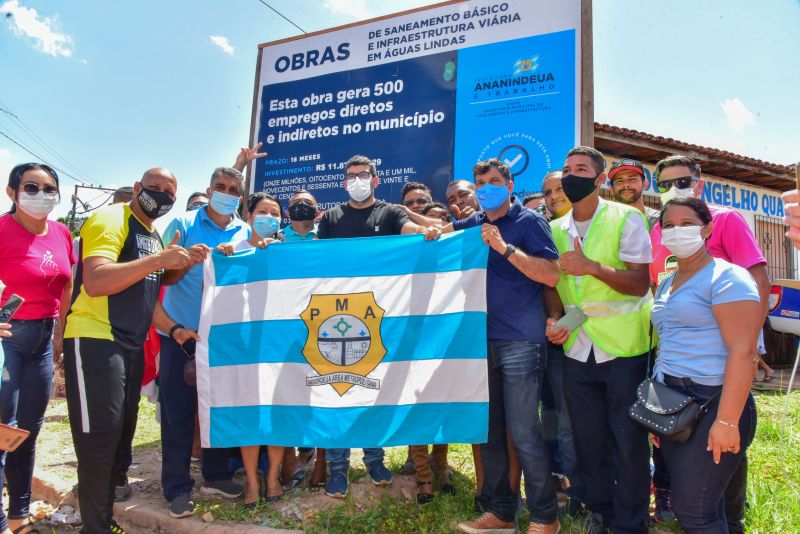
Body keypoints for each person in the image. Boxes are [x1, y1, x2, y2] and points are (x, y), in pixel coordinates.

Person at [63, 168, 193, 534]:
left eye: (170, 191)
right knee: (98, 442)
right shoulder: (110, 218)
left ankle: (103, 519)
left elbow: (145, 291)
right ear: (137, 189)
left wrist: (174, 328)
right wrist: (158, 261)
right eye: (155, 188)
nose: (163, 196)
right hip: (95, 339)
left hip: (130, 344)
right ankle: (95, 526)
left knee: (118, 437)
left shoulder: (150, 233)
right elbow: (98, 280)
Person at [649, 155, 769, 533]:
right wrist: (657, 410)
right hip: (676, 402)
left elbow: (743, 351)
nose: (676, 231)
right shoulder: (668, 282)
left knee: (695, 510)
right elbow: (666, 345)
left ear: (706, 230)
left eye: (687, 224)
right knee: (698, 505)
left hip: (716, 399)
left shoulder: (728, 277)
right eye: (669, 225)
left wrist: (728, 421)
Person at [446, 158, 561, 534]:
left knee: (525, 432)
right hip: (481, 343)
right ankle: (502, 513)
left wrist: (505, 249)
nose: (486, 188)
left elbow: (550, 273)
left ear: (510, 185)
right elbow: (444, 231)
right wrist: (432, 233)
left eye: (494, 181)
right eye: (480, 183)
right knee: (491, 431)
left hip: (521, 342)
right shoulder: (474, 223)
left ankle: (546, 517)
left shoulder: (529, 222)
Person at [316, 155, 440, 499]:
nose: (357, 179)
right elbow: (311, 260)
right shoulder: (330, 218)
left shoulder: (389, 212)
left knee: (373, 387)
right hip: (335, 314)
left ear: (375, 179)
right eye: (351, 175)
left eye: (363, 174)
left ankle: (374, 459)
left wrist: (426, 231)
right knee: (339, 391)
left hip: (379, 316)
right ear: (344, 182)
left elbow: (411, 230)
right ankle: (338, 467)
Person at [545, 146, 653, 534]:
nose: (570, 175)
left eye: (580, 169)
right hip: (576, 348)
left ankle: (631, 522)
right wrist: (555, 318)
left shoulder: (627, 219)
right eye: (566, 168)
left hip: (624, 349)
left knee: (627, 442)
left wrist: (592, 267)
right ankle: (601, 512)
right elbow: (555, 287)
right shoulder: (556, 229)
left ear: (599, 178)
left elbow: (640, 283)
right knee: (588, 441)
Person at [158, 167, 250, 519]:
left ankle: (216, 475)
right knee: (178, 414)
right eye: (220, 187)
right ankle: (177, 487)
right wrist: (185, 262)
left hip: (225, 339)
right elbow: (160, 275)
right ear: (209, 190)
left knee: (219, 409)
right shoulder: (183, 223)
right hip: (180, 335)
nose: (225, 193)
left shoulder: (244, 230)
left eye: (232, 189)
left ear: (239, 198)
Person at [0, 163, 76, 534]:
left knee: (27, 432)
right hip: (7, 342)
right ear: (13, 192)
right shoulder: (1, 230)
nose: (42, 195)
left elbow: (65, 286)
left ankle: (19, 516)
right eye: (32, 187)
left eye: (49, 189)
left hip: (43, 344)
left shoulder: (61, 233)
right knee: (1, 432)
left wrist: (61, 334)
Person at [216, 192, 284, 506]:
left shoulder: (289, 254)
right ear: (249, 215)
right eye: (263, 212)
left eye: (275, 213)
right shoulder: (233, 251)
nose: (269, 217)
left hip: (278, 347)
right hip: (243, 347)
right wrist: (225, 257)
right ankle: (253, 484)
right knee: (249, 414)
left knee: (277, 414)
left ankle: (273, 481)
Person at [608, 159, 661, 230]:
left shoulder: (660, 220)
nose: (626, 184)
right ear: (611, 189)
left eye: (632, 179)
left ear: (644, 184)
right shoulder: (604, 222)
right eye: (619, 181)